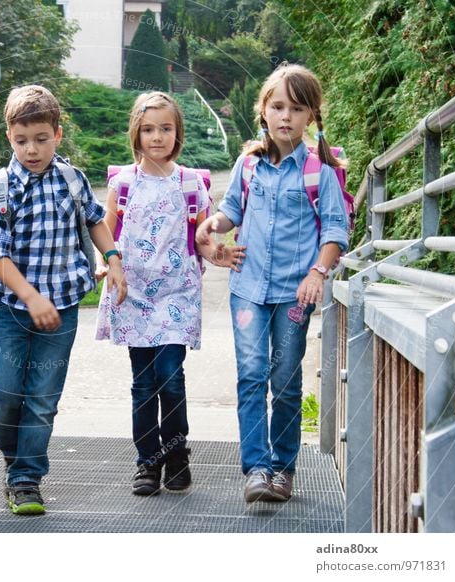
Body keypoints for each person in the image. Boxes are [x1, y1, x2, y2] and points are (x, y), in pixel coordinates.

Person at [195, 64, 349, 503]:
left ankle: (283, 468)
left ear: (310, 116)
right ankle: (257, 469)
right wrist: (213, 225)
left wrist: (317, 272)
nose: (286, 116)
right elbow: (231, 213)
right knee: (250, 375)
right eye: (278, 106)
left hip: (295, 295)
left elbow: (335, 232)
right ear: (263, 111)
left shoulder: (319, 171)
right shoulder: (248, 166)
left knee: (283, 377)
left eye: (296, 109)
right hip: (248, 289)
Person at [0, 85, 126, 515]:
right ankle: (14, 458)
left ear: (57, 135)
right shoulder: (0, 190)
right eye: (22, 140)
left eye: (41, 139)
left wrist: (112, 259)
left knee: (42, 397)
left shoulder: (72, 179)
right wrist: (29, 296)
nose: (32, 149)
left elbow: (96, 221)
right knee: (4, 394)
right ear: (10, 137)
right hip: (13, 310)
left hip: (61, 308)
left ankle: (26, 480)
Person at [95, 91, 244, 496]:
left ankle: (177, 456)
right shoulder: (122, 183)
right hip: (134, 294)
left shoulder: (191, 183)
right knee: (143, 383)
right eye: (148, 129)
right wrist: (109, 262)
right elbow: (106, 231)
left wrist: (217, 252)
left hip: (177, 295)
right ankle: (147, 463)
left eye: (165, 128)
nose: (157, 137)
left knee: (170, 379)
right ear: (136, 134)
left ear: (177, 133)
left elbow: (201, 237)